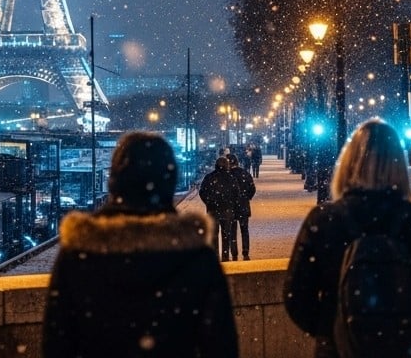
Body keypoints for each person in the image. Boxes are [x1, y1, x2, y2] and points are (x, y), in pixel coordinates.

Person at [284, 119, 411, 358]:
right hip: (408, 348)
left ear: (348, 165)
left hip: (340, 349)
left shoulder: (325, 220)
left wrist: (332, 330)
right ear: (400, 165)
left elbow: (296, 296)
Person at [43, 131, 237, 357]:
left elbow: (56, 344)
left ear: (115, 181)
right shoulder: (197, 257)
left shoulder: (78, 254)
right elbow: (221, 345)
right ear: (169, 180)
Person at [198, 155, 240, 261]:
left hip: (213, 210)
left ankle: (215, 256)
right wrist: (232, 204)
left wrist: (208, 202)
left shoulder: (209, 177)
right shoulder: (231, 178)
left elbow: (202, 192)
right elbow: (236, 193)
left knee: (214, 235)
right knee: (226, 235)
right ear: (227, 165)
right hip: (227, 210)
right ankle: (225, 256)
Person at [226, 151, 257, 260]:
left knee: (232, 231)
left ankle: (234, 252)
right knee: (244, 230)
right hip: (243, 206)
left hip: (231, 207)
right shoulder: (244, 173)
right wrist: (246, 198)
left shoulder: (227, 176)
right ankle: (245, 252)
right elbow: (252, 188)